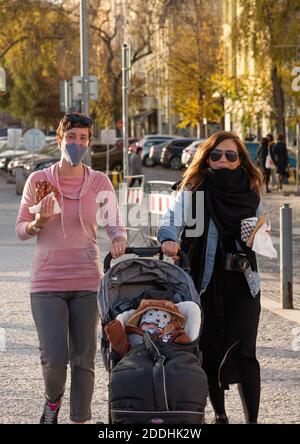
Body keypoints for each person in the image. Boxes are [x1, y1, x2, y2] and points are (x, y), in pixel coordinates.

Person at [16, 112, 127, 424]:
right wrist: (38, 223)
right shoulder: (39, 181)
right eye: (71, 137)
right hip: (46, 282)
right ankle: (52, 403)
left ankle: (80, 418)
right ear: (59, 139)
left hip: (87, 281)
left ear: (89, 143)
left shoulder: (99, 182)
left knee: (83, 360)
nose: (76, 143)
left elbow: (115, 224)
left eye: (83, 138)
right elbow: (20, 229)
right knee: (54, 359)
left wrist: (118, 238)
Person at [157, 131, 264, 424]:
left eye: (231, 155)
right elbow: (170, 220)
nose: (223, 161)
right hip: (205, 281)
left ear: (240, 159)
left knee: (245, 351)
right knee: (210, 351)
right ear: (206, 158)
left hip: (243, 282)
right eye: (216, 155)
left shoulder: (250, 191)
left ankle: (252, 420)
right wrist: (168, 239)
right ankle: (220, 416)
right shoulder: (194, 188)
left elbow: (259, 231)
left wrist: (260, 239)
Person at [104, 299, 190, 357]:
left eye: (157, 324)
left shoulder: (172, 335)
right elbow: (121, 346)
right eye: (147, 323)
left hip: (167, 363)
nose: (151, 326)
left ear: (167, 327)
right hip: (139, 363)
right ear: (140, 325)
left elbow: (184, 348)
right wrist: (115, 330)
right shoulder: (134, 336)